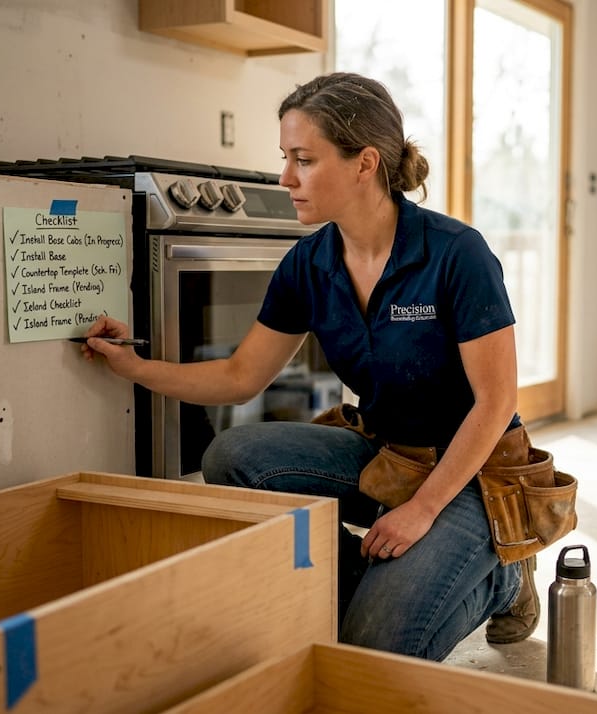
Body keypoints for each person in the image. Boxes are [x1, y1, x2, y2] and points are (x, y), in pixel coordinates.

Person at [78, 72, 538, 662]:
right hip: (386, 459)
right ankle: (362, 593)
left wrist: (422, 511)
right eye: (285, 158)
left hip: (470, 474)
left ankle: (504, 576)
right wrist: (134, 367)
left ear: (364, 163)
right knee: (233, 458)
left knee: (378, 648)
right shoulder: (310, 263)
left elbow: (495, 403)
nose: (285, 179)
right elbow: (241, 376)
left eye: (303, 160)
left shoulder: (455, 253)